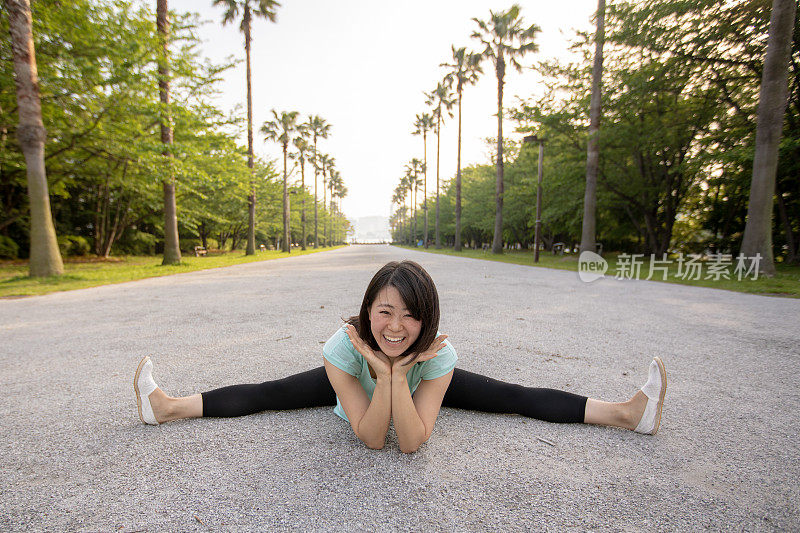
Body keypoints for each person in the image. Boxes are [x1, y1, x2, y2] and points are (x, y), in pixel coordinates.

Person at [134, 260, 667, 453]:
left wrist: (398, 370)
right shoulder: (342, 348)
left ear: (427, 320)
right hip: (356, 377)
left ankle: (627, 414)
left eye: (410, 316)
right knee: (271, 393)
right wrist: (378, 368)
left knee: (512, 396)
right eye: (384, 312)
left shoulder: (438, 354)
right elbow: (371, 437)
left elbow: (409, 444)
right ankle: (168, 407)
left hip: (417, 377)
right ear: (367, 310)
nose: (395, 327)